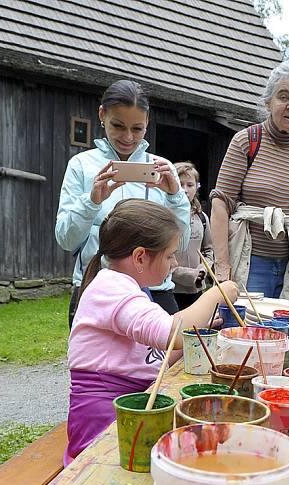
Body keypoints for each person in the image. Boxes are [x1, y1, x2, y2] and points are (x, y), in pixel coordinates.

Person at [66, 199, 238, 463]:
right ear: (139, 257)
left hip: (134, 406)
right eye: (169, 255)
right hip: (103, 425)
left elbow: (153, 356)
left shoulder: (131, 287)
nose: (174, 262)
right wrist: (217, 294)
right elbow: (171, 333)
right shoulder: (111, 289)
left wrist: (193, 340)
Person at [56, 79, 191, 325]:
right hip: (97, 290)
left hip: (156, 293)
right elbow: (66, 239)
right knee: (95, 364)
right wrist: (91, 201)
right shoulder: (81, 166)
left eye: (137, 129)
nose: (128, 137)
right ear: (102, 115)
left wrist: (175, 197)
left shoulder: (163, 169)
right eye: (118, 126)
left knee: (163, 364)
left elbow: (179, 244)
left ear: (147, 123)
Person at [210, 62, 289, 306]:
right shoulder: (246, 142)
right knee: (248, 334)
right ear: (268, 102)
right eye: (283, 97)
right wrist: (222, 268)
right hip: (250, 263)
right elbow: (220, 203)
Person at [172, 162, 213, 310]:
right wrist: (188, 275)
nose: (185, 190)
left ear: (197, 187)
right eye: (180, 184)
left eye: (190, 185)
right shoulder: (163, 216)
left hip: (196, 290)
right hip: (170, 289)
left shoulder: (201, 218)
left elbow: (209, 250)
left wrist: (203, 269)